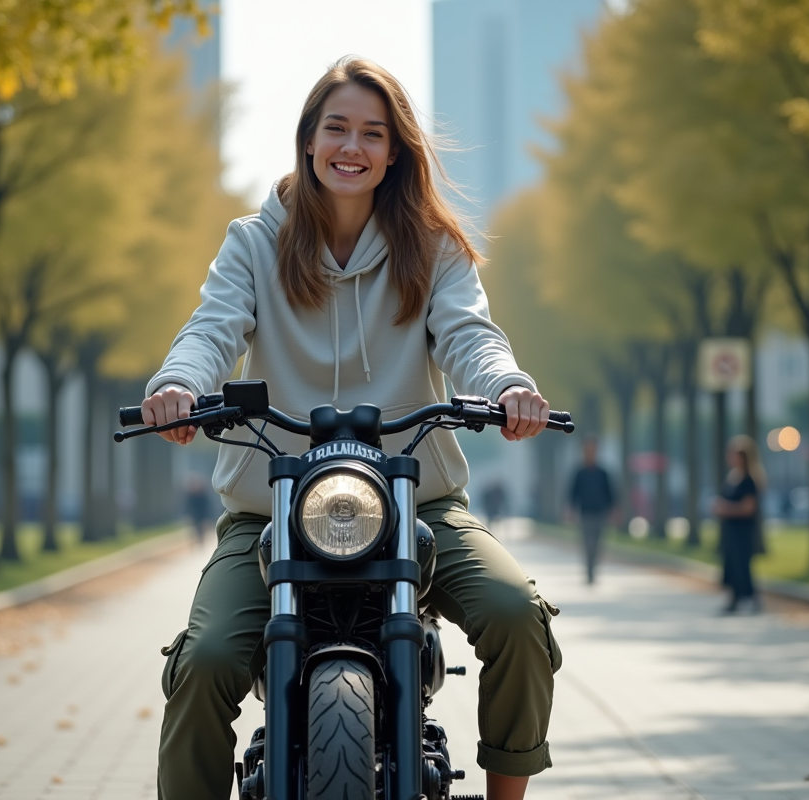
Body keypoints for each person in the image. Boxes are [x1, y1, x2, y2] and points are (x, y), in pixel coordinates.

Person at [139, 57, 561, 800]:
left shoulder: (434, 248)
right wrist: (179, 385)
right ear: (308, 139)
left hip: (419, 503)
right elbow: (211, 328)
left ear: (394, 151)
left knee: (517, 613)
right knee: (203, 660)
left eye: (373, 132)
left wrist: (508, 386)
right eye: (337, 128)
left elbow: (471, 336)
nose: (352, 147)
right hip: (269, 512)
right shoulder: (253, 243)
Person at [714, 434, 765, 614]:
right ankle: (734, 598)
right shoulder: (732, 477)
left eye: (734, 453)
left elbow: (748, 508)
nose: (730, 456)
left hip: (742, 530)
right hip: (730, 530)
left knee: (742, 565)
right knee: (730, 564)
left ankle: (750, 598)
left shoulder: (749, 480)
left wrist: (725, 508)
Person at [567, 436, 614, 585]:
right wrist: (570, 510)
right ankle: (589, 572)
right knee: (587, 543)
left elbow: (610, 493)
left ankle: (593, 568)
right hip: (585, 513)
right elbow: (572, 493)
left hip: (600, 513)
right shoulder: (579, 473)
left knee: (597, 544)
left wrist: (614, 509)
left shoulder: (603, 473)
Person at [183, 472, 212, 546]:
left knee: (201, 528)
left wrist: (207, 517)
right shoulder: (190, 494)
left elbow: (207, 506)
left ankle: (201, 541)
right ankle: (198, 541)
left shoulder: (203, 494)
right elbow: (187, 505)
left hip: (202, 514)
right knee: (196, 528)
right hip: (195, 515)